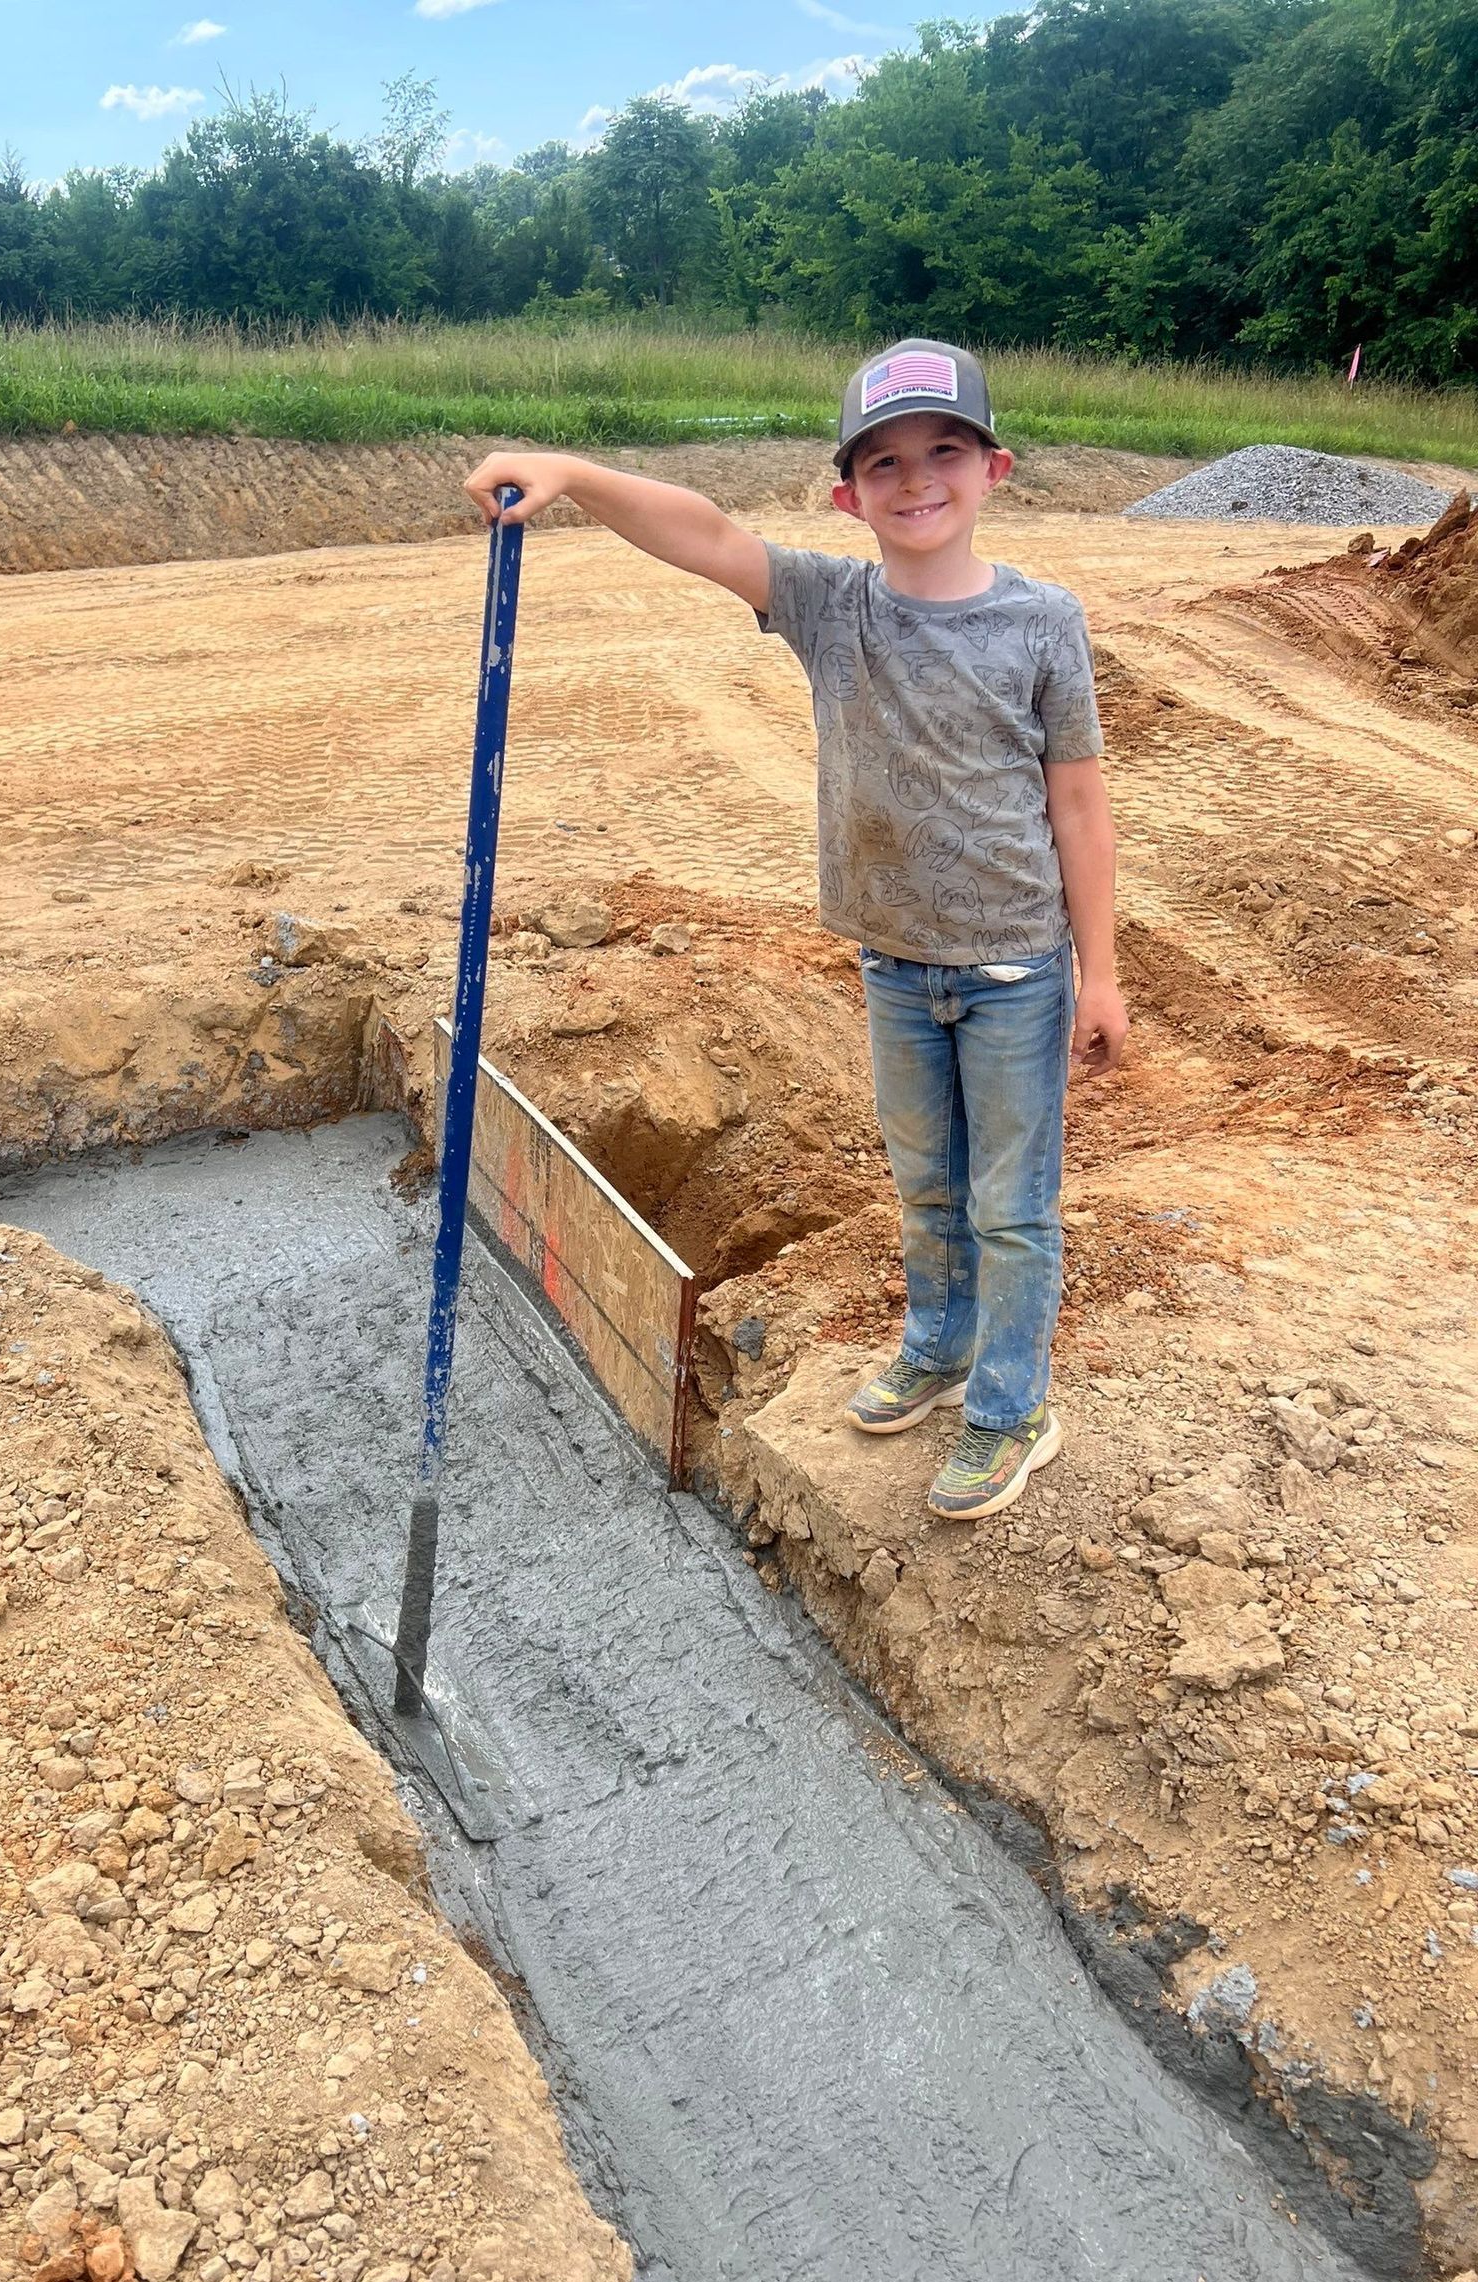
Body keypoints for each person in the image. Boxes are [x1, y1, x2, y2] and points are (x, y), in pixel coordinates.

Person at [465, 336, 1128, 1522]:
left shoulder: (1044, 622)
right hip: (892, 963)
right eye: (884, 463)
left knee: (1010, 1206)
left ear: (995, 469)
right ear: (846, 493)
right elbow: (707, 533)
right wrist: (571, 471)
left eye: (943, 452)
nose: (915, 479)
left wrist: (1103, 976)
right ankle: (938, 1347)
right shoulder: (832, 605)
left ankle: (1012, 1405)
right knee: (928, 1185)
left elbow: (1078, 799)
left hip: (1019, 966)